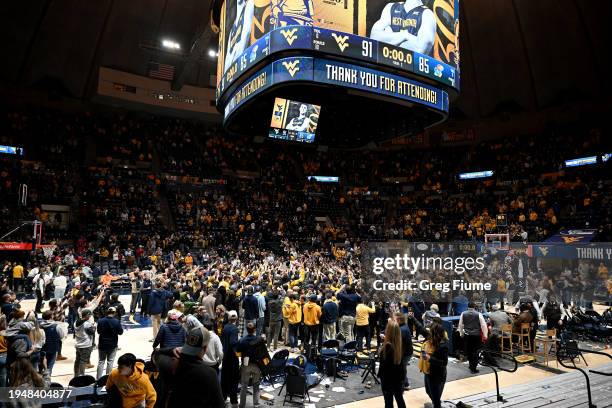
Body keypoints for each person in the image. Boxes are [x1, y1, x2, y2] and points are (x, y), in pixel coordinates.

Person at [154, 327, 225, 407]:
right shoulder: (210, 374)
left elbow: (156, 354)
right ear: (205, 348)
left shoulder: (170, 364)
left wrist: (171, 350)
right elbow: (219, 405)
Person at [370, 0, 436, 54]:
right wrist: (405, 36)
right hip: (385, 65)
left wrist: (389, 37)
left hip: (411, 68)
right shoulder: (391, 7)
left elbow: (420, 49)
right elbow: (374, 37)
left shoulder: (428, 15)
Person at [419, 322, 449, 408]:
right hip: (428, 371)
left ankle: (437, 404)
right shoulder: (431, 338)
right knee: (428, 391)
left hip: (437, 374)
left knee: (435, 397)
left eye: (431, 331)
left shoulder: (443, 346)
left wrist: (430, 358)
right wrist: (412, 318)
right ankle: (436, 403)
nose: (429, 333)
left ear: (435, 333)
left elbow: (444, 363)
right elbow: (421, 328)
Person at [378, 319, 406, 408]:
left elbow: (383, 367)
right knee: (400, 400)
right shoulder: (399, 345)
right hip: (398, 378)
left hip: (387, 380)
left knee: (388, 402)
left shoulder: (387, 348)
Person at [237, 322, 264, 408]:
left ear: (246, 330)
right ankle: (256, 404)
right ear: (254, 330)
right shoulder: (259, 340)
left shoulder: (242, 340)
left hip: (246, 365)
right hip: (256, 365)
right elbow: (263, 353)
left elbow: (238, 353)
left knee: (244, 386)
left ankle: (242, 405)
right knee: (256, 385)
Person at [395, 311, 425, 390]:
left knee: (401, 368)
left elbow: (397, 342)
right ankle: (405, 384)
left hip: (405, 353)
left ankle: (403, 385)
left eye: (395, 319)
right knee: (402, 368)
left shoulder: (402, 330)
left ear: (398, 320)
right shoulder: (404, 326)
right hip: (407, 352)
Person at [223, 0, 255, 72]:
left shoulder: (250, 4)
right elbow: (228, 57)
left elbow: (245, 36)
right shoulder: (232, 30)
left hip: (241, 67)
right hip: (234, 74)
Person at [457, 302, 488, 373]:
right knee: (475, 351)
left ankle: (471, 365)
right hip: (476, 335)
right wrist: (485, 335)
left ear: (467, 306)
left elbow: (460, 325)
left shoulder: (463, 313)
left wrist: (461, 333)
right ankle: (473, 367)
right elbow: (483, 325)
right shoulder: (478, 314)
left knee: (469, 351)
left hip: (467, 335)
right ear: (474, 307)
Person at [97, 306, 124, 379]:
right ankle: (108, 378)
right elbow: (120, 332)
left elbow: (98, 331)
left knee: (101, 361)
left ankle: (98, 379)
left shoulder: (100, 321)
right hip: (112, 344)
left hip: (102, 344)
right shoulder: (116, 321)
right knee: (110, 361)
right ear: (114, 313)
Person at [221, 310, 240, 408]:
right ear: (236, 319)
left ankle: (223, 398)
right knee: (233, 380)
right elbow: (233, 343)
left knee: (225, 378)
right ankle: (234, 401)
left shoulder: (225, 327)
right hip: (232, 357)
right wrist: (240, 343)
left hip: (225, 357)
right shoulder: (234, 329)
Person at [40, 310, 66, 377]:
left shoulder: (40, 326)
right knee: (49, 367)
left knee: (41, 366)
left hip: (42, 349)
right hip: (53, 349)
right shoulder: (56, 326)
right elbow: (62, 336)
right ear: (51, 316)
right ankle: (47, 382)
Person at [74, 308, 96, 377]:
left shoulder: (76, 322)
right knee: (83, 361)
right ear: (87, 315)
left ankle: (76, 375)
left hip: (78, 344)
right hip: (86, 345)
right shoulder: (87, 324)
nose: (90, 317)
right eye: (89, 316)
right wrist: (94, 327)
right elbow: (92, 332)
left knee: (77, 361)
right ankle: (81, 376)